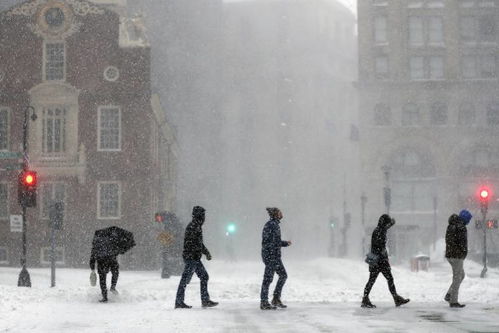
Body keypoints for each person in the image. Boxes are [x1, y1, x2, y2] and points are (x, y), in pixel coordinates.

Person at [361, 214, 409, 308]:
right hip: (379, 261)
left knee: (374, 280)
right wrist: (383, 253)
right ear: (384, 223)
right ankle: (395, 298)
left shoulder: (380, 229)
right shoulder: (379, 231)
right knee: (385, 279)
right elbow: (378, 246)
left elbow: (385, 229)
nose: (388, 226)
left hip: (378, 261)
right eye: (387, 223)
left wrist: (391, 223)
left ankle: (366, 299)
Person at [175, 206, 218, 309]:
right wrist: (199, 253)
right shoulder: (193, 227)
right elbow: (193, 244)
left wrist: (206, 252)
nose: (204, 218)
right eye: (203, 215)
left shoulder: (196, 226)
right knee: (185, 280)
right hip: (191, 258)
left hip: (194, 258)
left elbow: (199, 243)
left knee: (204, 276)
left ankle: (205, 300)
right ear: (199, 216)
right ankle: (179, 302)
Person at [260, 207, 292, 310]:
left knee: (283, 275)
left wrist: (283, 243)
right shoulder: (271, 225)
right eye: (279, 212)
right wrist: (285, 243)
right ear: (275, 214)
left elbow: (274, 241)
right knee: (268, 279)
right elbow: (271, 242)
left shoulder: (275, 225)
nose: (281, 213)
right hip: (271, 256)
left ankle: (275, 299)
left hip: (274, 256)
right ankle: (264, 302)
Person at [444, 210, 471, 308]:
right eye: (468, 219)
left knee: (461, 275)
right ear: (465, 218)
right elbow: (462, 243)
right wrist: (463, 253)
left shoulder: (451, 225)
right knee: (457, 277)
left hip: (450, 255)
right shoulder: (461, 227)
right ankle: (453, 301)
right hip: (457, 256)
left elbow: (449, 241)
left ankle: (449, 295)